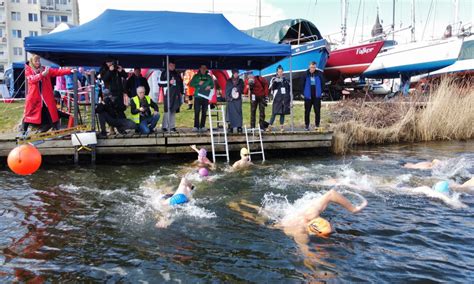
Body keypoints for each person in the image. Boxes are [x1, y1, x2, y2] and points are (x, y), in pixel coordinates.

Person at [228, 189, 367, 261]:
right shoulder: (300, 231)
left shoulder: (312, 211)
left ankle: (242, 203)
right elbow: (306, 253)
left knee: (265, 210)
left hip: (290, 212)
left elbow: (331, 193)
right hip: (281, 224)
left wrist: (353, 209)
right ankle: (237, 207)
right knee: (259, 221)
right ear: (314, 232)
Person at [23, 54, 73, 135]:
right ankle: (23, 131)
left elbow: (57, 72)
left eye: (39, 60)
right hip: (34, 98)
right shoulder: (28, 70)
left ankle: (56, 129)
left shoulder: (44, 69)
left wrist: (69, 71)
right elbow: (32, 80)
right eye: (36, 61)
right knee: (28, 115)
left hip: (46, 97)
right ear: (32, 61)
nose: (38, 62)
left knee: (52, 113)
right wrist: (42, 74)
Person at [159, 61, 183, 132]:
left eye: (173, 65)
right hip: (168, 94)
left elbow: (180, 83)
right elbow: (160, 83)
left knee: (174, 109)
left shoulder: (177, 74)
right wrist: (168, 82)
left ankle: (172, 126)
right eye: (171, 65)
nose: (172, 66)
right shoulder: (164, 73)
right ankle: (164, 126)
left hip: (176, 94)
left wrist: (181, 92)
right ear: (168, 65)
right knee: (167, 110)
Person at [189, 65, 214, 132]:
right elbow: (190, 84)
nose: (203, 69)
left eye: (205, 68)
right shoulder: (196, 76)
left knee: (204, 111)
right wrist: (198, 84)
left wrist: (210, 86)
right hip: (197, 96)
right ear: (199, 69)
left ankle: (202, 126)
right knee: (197, 111)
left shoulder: (209, 77)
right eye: (202, 68)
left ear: (206, 69)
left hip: (205, 97)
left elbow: (212, 85)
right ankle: (196, 126)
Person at [267, 65, 291, 132]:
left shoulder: (285, 80)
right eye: (279, 72)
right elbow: (271, 88)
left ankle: (282, 127)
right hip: (277, 99)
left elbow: (288, 89)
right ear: (277, 72)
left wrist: (289, 99)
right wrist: (275, 82)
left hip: (284, 99)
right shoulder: (274, 79)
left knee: (282, 113)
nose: (280, 73)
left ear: (283, 72)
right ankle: (269, 126)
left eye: (281, 71)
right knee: (274, 113)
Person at [302, 61, 325, 131]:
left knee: (317, 111)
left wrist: (322, 92)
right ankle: (307, 125)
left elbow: (323, 83)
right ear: (309, 66)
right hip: (308, 95)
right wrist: (302, 94)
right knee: (307, 111)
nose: (313, 69)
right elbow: (301, 84)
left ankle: (317, 125)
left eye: (314, 67)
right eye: (311, 67)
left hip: (317, 96)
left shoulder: (319, 73)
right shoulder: (305, 74)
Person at [225, 69, 244, 133]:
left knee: (238, 113)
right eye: (235, 73)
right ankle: (230, 127)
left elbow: (242, 89)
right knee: (230, 114)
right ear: (233, 74)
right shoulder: (229, 81)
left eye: (237, 73)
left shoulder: (241, 81)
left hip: (238, 100)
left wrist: (237, 89)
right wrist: (228, 98)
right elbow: (227, 90)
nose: (236, 74)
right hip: (231, 100)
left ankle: (239, 127)